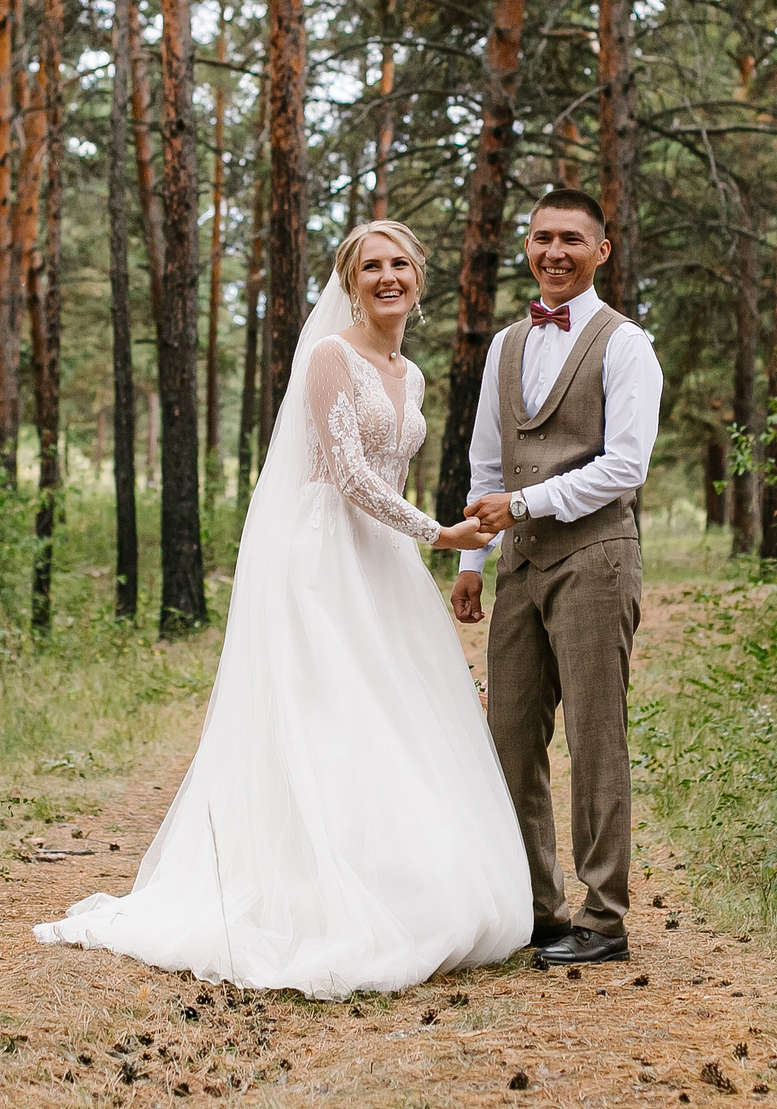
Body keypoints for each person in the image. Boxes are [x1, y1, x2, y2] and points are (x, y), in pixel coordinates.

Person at [36, 222, 530, 998]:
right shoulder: (332, 356)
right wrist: (438, 532)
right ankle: (314, 891)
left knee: (395, 713)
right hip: (326, 553)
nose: (387, 276)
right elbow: (346, 474)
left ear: (419, 277)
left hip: (384, 558)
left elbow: (390, 476)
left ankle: (403, 877)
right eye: (372, 266)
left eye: (400, 263)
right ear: (351, 280)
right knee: (331, 709)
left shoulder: (416, 374)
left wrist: (423, 540)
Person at [455, 188, 663, 968]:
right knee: (509, 736)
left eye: (571, 239)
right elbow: (484, 459)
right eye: (542, 238)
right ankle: (537, 907)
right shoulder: (507, 344)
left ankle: (604, 917)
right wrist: (473, 561)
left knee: (595, 736)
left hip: (596, 556)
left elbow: (625, 465)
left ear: (600, 251)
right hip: (518, 561)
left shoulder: (624, 343)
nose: (554, 253)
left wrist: (525, 502)